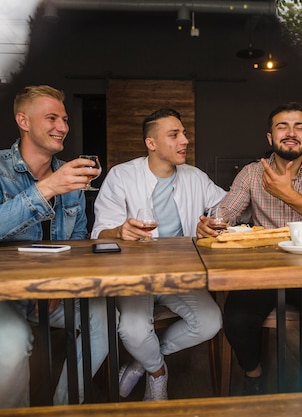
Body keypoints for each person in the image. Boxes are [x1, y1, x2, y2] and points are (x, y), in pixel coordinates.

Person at [0, 85, 109, 408]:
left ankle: (65, 408)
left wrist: (62, 283)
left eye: (65, 119)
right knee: (12, 342)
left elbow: (78, 243)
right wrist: (47, 188)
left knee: (107, 320)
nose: (63, 127)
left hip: (51, 295)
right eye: (52, 118)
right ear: (23, 121)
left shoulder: (70, 177)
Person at [196, 101, 302, 395]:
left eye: (299, 126)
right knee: (236, 319)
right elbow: (226, 211)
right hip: (263, 271)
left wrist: (288, 195)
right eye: (282, 126)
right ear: (270, 137)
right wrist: (211, 223)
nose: (291, 132)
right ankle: (254, 375)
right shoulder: (252, 173)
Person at [91, 108, 224, 401]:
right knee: (133, 331)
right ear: (151, 144)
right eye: (174, 135)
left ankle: (144, 362)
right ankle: (158, 373)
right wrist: (119, 231)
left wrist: (211, 223)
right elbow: (99, 233)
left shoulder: (195, 177)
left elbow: (227, 209)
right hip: (135, 275)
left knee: (210, 322)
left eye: (184, 133)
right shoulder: (122, 176)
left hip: (181, 275)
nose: (185, 140)